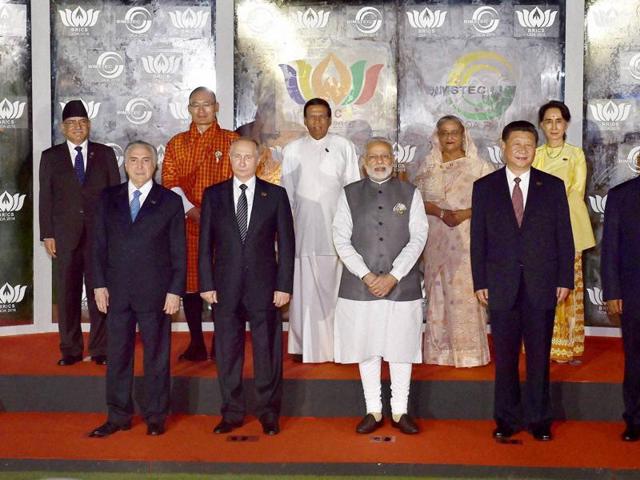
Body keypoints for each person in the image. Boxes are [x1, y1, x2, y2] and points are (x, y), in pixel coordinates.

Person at [470, 121, 574, 441]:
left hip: (542, 285)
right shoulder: (485, 187)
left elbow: (564, 238)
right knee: (505, 359)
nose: (523, 149)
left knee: (540, 357)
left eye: (529, 143)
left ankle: (540, 419)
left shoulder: (553, 186)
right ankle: (506, 418)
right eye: (516, 143)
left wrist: (564, 278)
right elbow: (478, 240)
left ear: (535, 147)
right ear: (503, 145)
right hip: (500, 285)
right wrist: (480, 281)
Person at [88, 141, 186, 437]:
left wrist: (175, 291)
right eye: (133, 160)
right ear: (125, 164)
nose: (140, 165)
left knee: (156, 356)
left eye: (146, 160)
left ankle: (156, 416)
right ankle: (117, 416)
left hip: (156, 293)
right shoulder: (108, 198)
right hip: (116, 292)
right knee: (117, 356)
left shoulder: (169, 201)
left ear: (155, 164)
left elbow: (179, 252)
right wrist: (98, 284)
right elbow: (97, 246)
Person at [199, 137, 295, 435]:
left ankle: (268, 412)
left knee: (267, 352)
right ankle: (232, 412)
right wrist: (206, 283)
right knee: (227, 353)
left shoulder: (276, 195)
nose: (242, 161)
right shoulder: (213, 195)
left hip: (265, 288)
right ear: (229, 158)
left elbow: (288, 246)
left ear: (259, 160)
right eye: (237, 156)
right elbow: (205, 245)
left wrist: (284, 285)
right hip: (224, 288)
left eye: (248, 156)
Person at [333, 139, 428, 435]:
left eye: (384, 156)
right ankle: (373, 409)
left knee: (401, 349)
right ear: (364, 161)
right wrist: (366, 275)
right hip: (360, 287)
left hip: (402, 287)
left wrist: (394, 276)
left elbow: (418, 237)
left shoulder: (411, 193)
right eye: (373, 156)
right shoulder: (348, 194)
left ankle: (400, 411)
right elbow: (340, 238)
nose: (378, 161)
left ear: (393, 159)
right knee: (367, 348)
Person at [39, 100, 120, 366]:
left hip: (99, 236)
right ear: (63, 128)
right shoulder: (50, 157)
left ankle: (101, 349)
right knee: (67, 294)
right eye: (72, 123)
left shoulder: (105, 154)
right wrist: (47, 233)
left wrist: (113, 232)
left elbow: (115, 196)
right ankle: (70, 350)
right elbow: (46, 198)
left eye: (82, 123)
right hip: (64, 236)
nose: (77, 127)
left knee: (100, 291)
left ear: (89, 125)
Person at [162, 87, 239, 361]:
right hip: (187, 224)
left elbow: (240, 179)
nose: (202, 110)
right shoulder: (176, 143)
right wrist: (192, 211)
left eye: (207, 105)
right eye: (196, 105)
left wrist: (217, 216)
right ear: (189, 109)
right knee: (190, 284)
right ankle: (196, 342)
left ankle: (222, 342)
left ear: (216, 107)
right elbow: (169, 182)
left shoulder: (233, 140)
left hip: (226, 225)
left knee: (223, 282)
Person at [281, 98, 360, 363]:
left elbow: (353, 192)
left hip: (337, 234)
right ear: (304, 120)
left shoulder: (344, 147)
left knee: (336, 290)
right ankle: (305, 346)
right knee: (304, 291)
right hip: (304, 233)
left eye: (322, 116)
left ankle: (338, 347)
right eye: (311, 117)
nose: (316, 122)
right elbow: (287, 195)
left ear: (330, 119)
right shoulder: (292, 149)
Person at [414, 115, 493, 367]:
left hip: (468, 240)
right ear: (437, 136)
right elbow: (416, 202)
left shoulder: (479, 167)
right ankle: (440, 353)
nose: (449, 138)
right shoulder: (428, 166)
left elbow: (493, 204)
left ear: (463, 135)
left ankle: (469, 354)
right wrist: (440, 212)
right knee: (437, 293)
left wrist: (464, 214)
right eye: (444, 133)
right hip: (436, 239)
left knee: (466, 294)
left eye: (454, 132)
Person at [534, 101, 596, 364]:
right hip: (537, 233)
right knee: (539, 289)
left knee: (568, 289)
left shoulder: (576, 154)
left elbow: (575, 192)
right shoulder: (533, 154)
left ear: (567, 124)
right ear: (541, 125)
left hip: (569, 229)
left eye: (559, 121)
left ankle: (568, 347)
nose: (554, 126)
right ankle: (541, 346)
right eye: (548, 121)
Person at [601, 173, 640, 442]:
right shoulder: (620, 195)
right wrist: (612, 291)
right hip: (633, 292)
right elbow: (610, 248)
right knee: (636, 360)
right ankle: (635, 420)